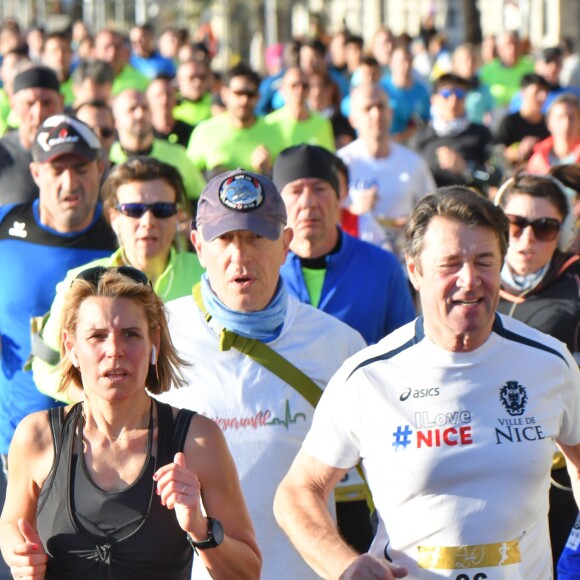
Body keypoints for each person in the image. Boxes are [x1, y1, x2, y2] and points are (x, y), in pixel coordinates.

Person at [274, 186, 580, 579]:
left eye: (484, 262)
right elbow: (297, 492)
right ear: (415, 271)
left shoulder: (550, 362)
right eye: (450, 264)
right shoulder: (369, 376)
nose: (469, 281)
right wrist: (345, 565)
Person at [156, 169, 365, 579]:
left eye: (256, 237)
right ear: (198, 246)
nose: (241, 255)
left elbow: (358, 492)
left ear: (286, 244)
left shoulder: (338, 345)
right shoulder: (157, 336)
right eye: (226, 239)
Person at [0, 266, 261, 578]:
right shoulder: (37, 436)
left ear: (154, 343)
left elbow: (247, 572)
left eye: (130, 334)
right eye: (97, 336)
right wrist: (21, 559)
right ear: (71, 348)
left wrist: (199, 527)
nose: (114, 351)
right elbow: (11, 527)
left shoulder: (198, 440)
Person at [0, 115, 118, 496]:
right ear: (35, 172)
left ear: (100, 168)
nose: (70, 182)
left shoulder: (125, 235)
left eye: (81, 168)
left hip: (107, 455)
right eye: (57, 170)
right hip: (16, 448)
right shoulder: (5, 226)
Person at [31, 156, 205, 403]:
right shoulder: (79, 282)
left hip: (191, 432)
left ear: (179, 216)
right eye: (134, 210)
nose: (148, 221)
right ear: (114, 217)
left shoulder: (207, 276)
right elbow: (45, 367)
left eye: (162, 210)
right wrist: (99, 408)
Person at [494, 173, 579, 568]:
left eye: (544, 228)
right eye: (516, 224)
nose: (527, 239)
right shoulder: (470, 281)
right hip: (482, 464)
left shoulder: (575, 286)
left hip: (558, 475)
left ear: (561, 235)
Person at [274, 143, 416, 346]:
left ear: (339, 197)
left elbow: (409, 352)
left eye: (319, 189)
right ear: (279, 202)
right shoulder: (264, 270)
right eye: (296, 191)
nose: (308, 202)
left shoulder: (381, 267)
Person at [337, 84, 435, 255]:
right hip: (353, 260)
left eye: (381, 106)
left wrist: (414, 223)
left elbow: (434, 212)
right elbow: (324, 218)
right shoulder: (340, 163)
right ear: (353, 119)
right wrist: (353, 211)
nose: (376, 114)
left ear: (390, 112)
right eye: (368, 108)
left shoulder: (414, 163)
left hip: (403, 262)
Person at [110, 88, 205, 205]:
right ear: (115, 119)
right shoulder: (108, 159)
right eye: (132, 109)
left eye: (145, 108)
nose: (140, 114)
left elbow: (201, 200)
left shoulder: (177, 155)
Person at [186, 63, 282, 177]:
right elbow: (189, 178)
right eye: (238, 93)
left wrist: (268, 171)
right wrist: (213, 178)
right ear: (224, 94)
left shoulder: (275, 132)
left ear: (258, 97)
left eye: (250, 94)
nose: (244, 100)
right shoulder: (204, 132)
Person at [412, 73, 500, 192]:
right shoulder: (420, 138)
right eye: (446, 94)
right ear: (434, 100)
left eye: (460, 95)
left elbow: (496, 177)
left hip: (470, 206)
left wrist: (467, 169)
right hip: (431, 206)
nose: (453, 101)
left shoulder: (481, 134)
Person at [0, 63, 63, 204]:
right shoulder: (3, 154)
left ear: (62, 101)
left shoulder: (80, 153)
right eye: (29, 103)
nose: (39, 113)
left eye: (47, 103)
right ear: (13, 104)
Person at [265, 66, 335, 151]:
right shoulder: (270, 123)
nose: (300, 90)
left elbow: (327, 159)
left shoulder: (322, 123)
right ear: (282, 90)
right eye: (294, 85)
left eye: (304, 86)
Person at [494, 73, 551, 170]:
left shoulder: (550, 122)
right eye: (537, 92)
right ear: (523, 92)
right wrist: (517, 150)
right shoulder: (509, 122)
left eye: (545, 92)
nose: (542, 97)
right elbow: (496, 152)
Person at [526, 93, 580, 173]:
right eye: (560, 117)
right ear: (549, 123)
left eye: (571, 117)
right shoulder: (538, 161)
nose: (566, 123)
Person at [147, 75, 194, 148]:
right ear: (148, 100)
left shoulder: (190, 132)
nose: (164, 100)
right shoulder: (143, 134)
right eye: (159, 95)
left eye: (169, 94)